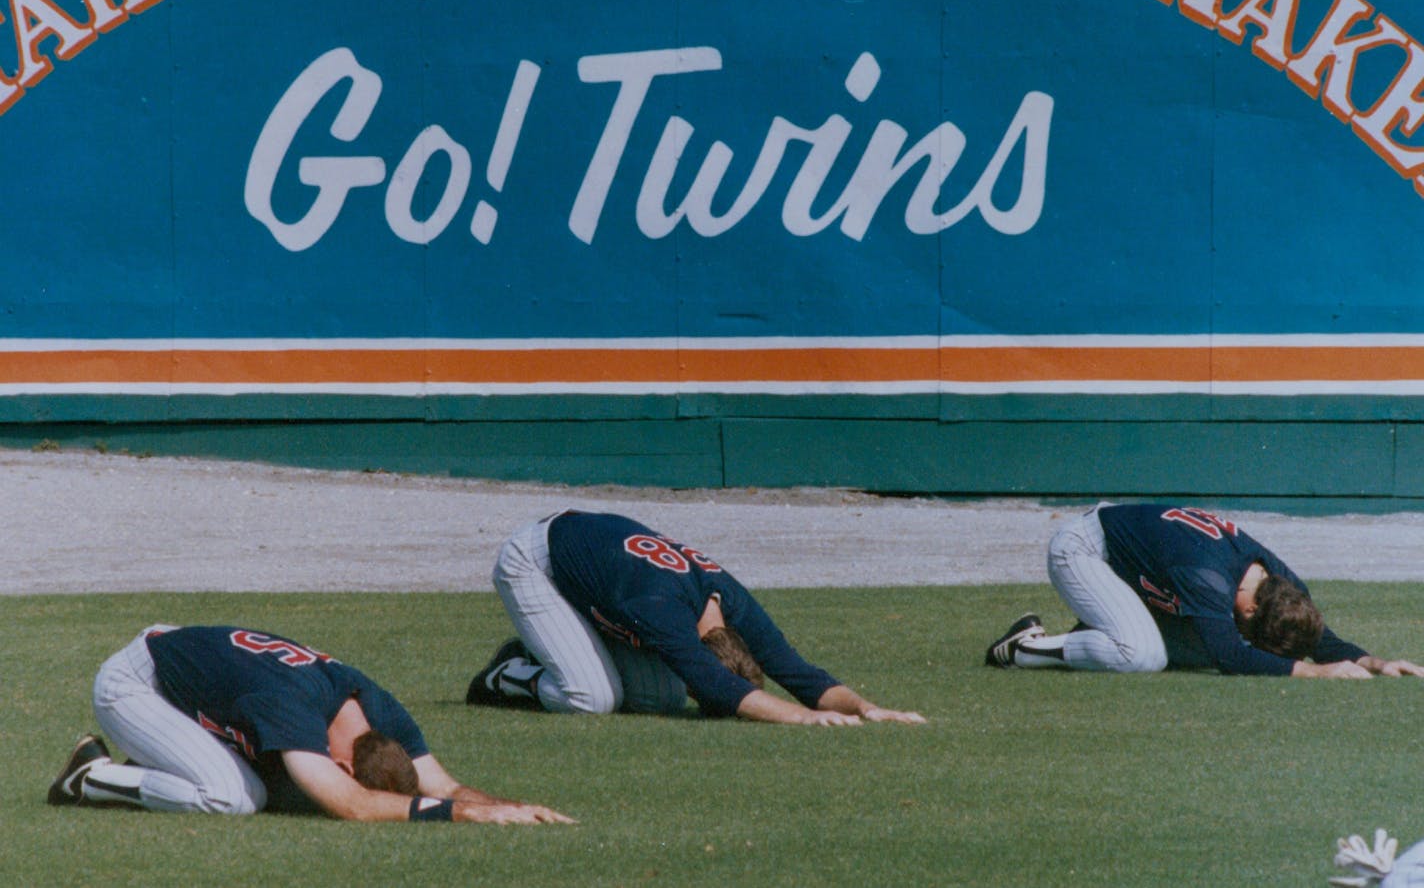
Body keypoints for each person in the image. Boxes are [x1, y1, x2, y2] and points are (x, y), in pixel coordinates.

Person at [48, 623, 575, 824]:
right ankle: (92, 778)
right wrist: (467, 819)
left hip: (198, 667)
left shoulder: (379, 710)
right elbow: (354, 805)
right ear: (343, 765)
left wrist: (507, 807)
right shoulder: (295, 712)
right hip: (138, 683)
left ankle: (164, 756)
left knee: (253, 781)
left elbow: (444, 784)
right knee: (232, 798)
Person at [466, 510, 925, 725]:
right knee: (590, 697)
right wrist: (803, 720)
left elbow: (798, 672)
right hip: (537, 561)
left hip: (602, 571)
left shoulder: (734, 606)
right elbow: (718, 686)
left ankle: (557, 651)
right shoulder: (663, 612)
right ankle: (511, 673)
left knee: (658, 701)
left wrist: (867, 708)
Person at [984, 503, 1424, 678]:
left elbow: (1315, 638)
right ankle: (1024, 648)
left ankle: (1102, 629)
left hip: (1133, 565)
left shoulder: (1279, 582)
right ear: (1249, 612)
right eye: (1252, 631)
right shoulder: (1208, 578)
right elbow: (1230, 656)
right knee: (1143, 656)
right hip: (1082, 550)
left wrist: (1372, 660)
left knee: (1194, 645)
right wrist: (1313, 672)